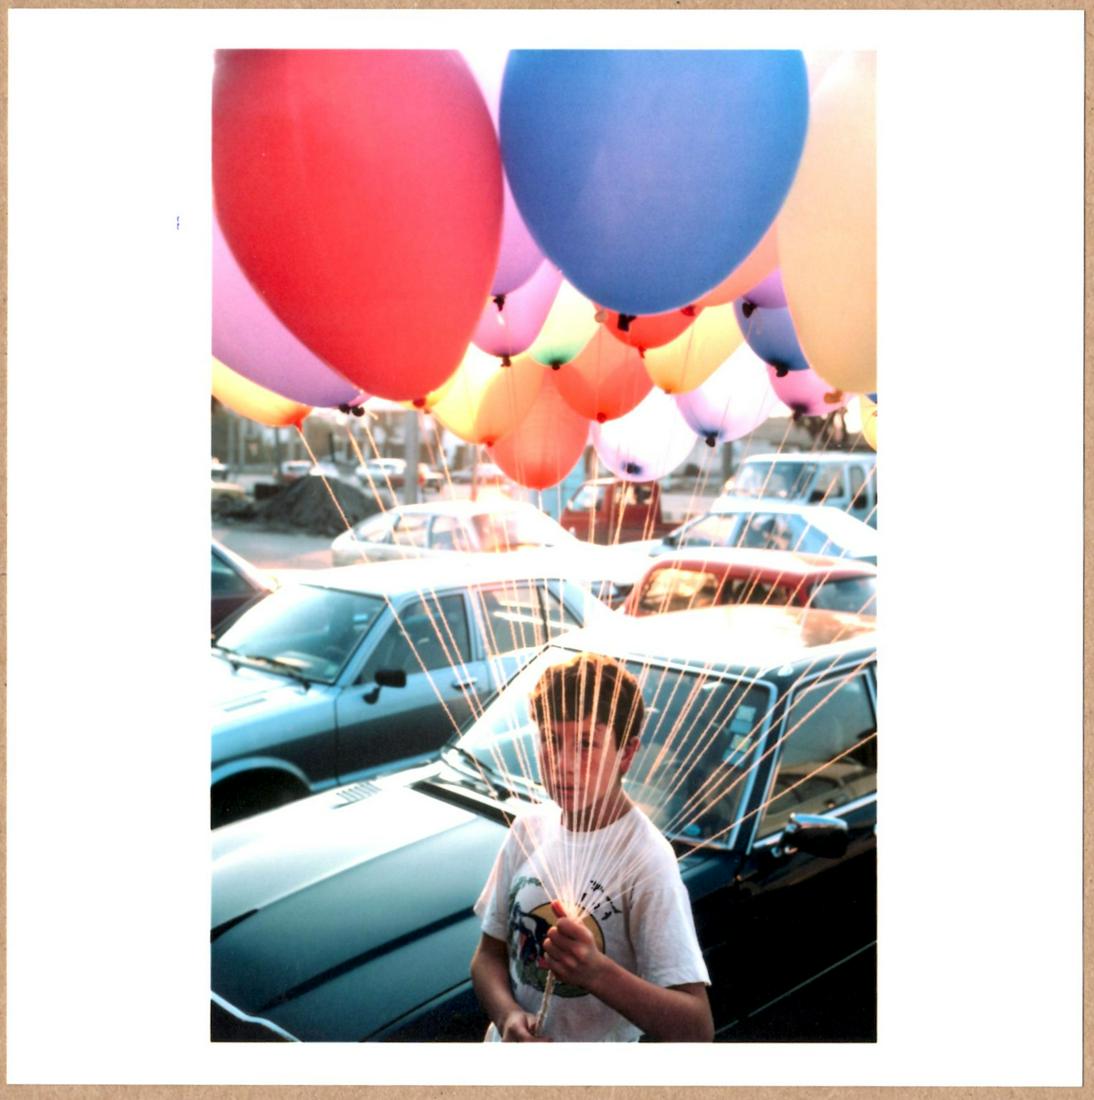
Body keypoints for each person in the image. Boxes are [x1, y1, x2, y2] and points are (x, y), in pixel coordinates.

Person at [470, 654, 714, 1043]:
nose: (563, 764)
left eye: (586, 743)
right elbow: (487, 957)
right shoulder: (528, 829)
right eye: (551, 739)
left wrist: (597, 973)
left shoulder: (646, 861)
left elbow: (696, 1028)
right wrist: (508, 1015)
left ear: (627, 754)